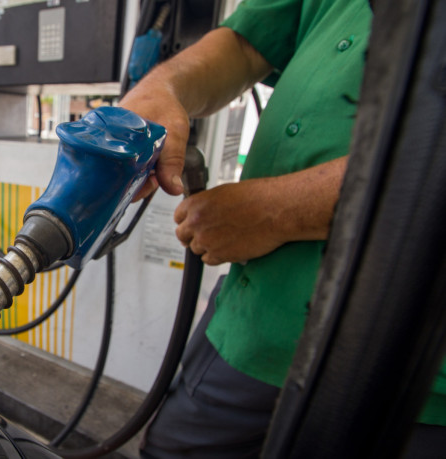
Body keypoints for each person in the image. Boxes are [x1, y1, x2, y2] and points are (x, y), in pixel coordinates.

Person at [119, 0, 446, 457]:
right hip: (256, 317)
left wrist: (278, 210)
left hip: (418, 380)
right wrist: (163, 86)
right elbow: (247, 42)